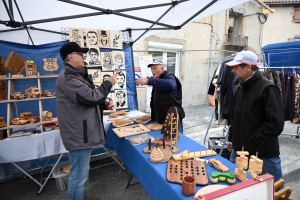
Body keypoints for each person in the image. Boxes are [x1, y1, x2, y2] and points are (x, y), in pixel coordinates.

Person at [56, 42, 117, 200]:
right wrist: (108, 83)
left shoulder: (75, 75)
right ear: (70, 57)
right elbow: (90, 98)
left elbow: (86, 98)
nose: (84, 58)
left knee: (80, 174)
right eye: (80, 54)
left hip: (81, 132)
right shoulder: (69, 77)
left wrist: (104, 103)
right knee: (78, 176)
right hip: (79, 134)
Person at [226, 50, 284, 183]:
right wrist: (232, 138)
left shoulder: (267, 88)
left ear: (248, 67)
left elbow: (276, 123)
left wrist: (253, 139)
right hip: (239, 150)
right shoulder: (239, 88)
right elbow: (236, 116)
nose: (232, 70)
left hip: (263, 154)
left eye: (236, 67)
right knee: (237, 187)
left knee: (272, 191)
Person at [135, 60, 185, 132]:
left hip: (172, 119)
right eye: (151, 68)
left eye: (155, 68)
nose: (152, 70)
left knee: (175, 140)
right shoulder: (158, 79)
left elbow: (170, 85)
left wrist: (149, 81)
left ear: (162, 69)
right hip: (162, 119)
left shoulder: (170, 76)